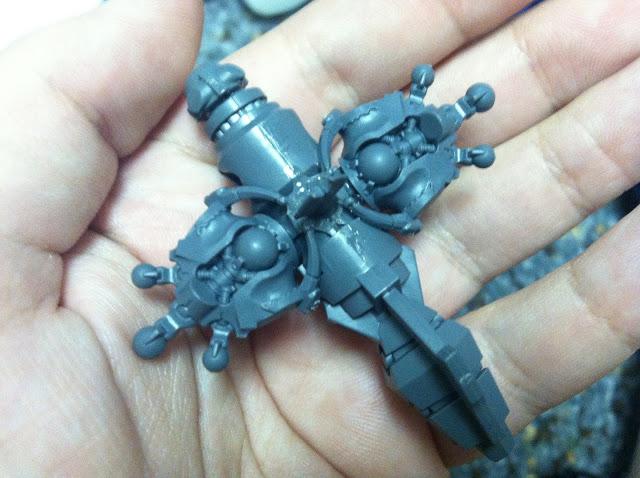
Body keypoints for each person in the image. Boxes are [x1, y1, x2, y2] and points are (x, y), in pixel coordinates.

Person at [0, 0, 638, 476]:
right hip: (325, 255)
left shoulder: (341, 168)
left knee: (365, 232)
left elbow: (359, 161)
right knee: (285, 256)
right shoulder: (271, 208)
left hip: (351, 238)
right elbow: (266, 232)